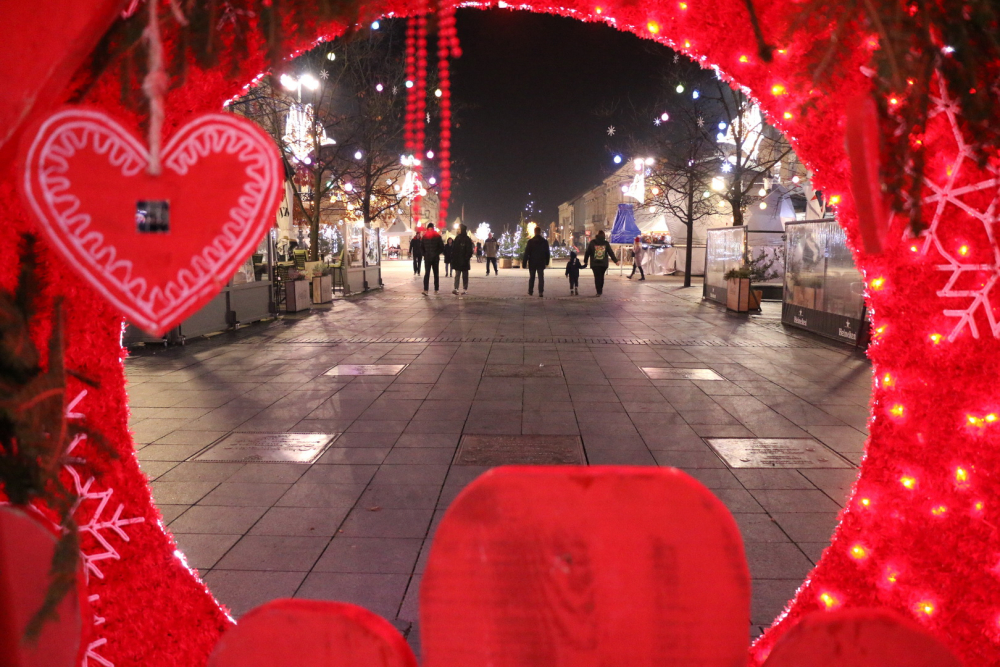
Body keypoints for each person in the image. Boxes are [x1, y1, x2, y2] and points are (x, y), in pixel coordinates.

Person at [582, 229, 619, 296]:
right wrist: (615, 261)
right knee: (601, 277)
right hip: (603, 263)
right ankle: (600, 290)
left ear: (597, 235)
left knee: (597, 277)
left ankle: (598, 291)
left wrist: (585, 261)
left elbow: (587, 252)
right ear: (604, 236)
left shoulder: (592, 242)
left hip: (595, 263)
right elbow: (611, 252)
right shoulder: (606, 243)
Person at [523, 225, 551, 297]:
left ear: (535, 232)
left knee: (532, 277)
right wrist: (547, 261)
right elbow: (547, 252)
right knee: (541, 277)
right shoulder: (544, 242)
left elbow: (527, 253)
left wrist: (524, 263)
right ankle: (540, 292)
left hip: (532, 262)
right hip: (541, 262)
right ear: (540, 232)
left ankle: (530, 291)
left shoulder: (530, 241)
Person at [421, 223, 445, 294]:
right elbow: (421, 247)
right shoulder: (425, 237)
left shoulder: (437, 237)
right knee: (427, 274)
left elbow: (442, 247)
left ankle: (436, 289)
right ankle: (425, 290)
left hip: (435, 258)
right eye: (429, 229)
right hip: (427, 258)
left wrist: (436, 253)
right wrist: (424, 254)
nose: (430, 230)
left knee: (436, 274)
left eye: (431, 229)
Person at [451, 224, 474, 295]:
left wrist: (466, 258)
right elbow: (454, 249)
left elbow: (469, 251)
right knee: (457, 275)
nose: (458, 230)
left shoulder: (467, 239)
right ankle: (456, 288)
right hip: (457, 260)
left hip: (464, 261)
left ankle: (465, 289)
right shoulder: (457, 238)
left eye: (459, 229)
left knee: (465, 275)